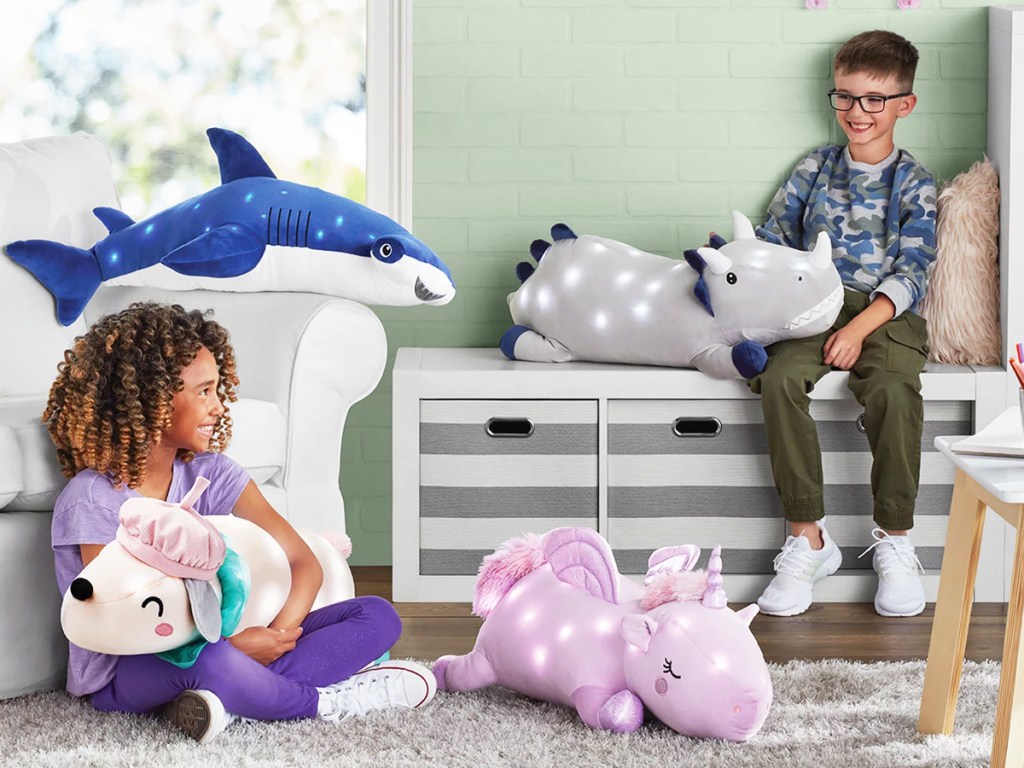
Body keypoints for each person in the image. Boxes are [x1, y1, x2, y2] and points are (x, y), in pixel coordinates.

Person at [47, 302, 436, 744]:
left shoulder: (212, 473)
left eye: (218, 389)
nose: (218, 406)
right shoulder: (94, 499)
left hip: (234, 643)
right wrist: (231, 650)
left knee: (377, 615)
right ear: (151, 400)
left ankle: (227, 701)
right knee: (209, 662)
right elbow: (120, 623)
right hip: (130, 667)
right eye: (204, 391)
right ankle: (323, 703)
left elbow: (302, 561)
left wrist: (273, 637)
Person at [747, 30, 937, 618]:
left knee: (893, 389)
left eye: (874, 99)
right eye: (847, 97)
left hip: (887, 313)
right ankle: (809, 538)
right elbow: (774, 242)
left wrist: (859, 330)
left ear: (904, 103)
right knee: (777, 381)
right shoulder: (815, 168)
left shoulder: (915, 183)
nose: (858, 112)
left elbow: (914, 268)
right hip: (814, 306)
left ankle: (894, 540)